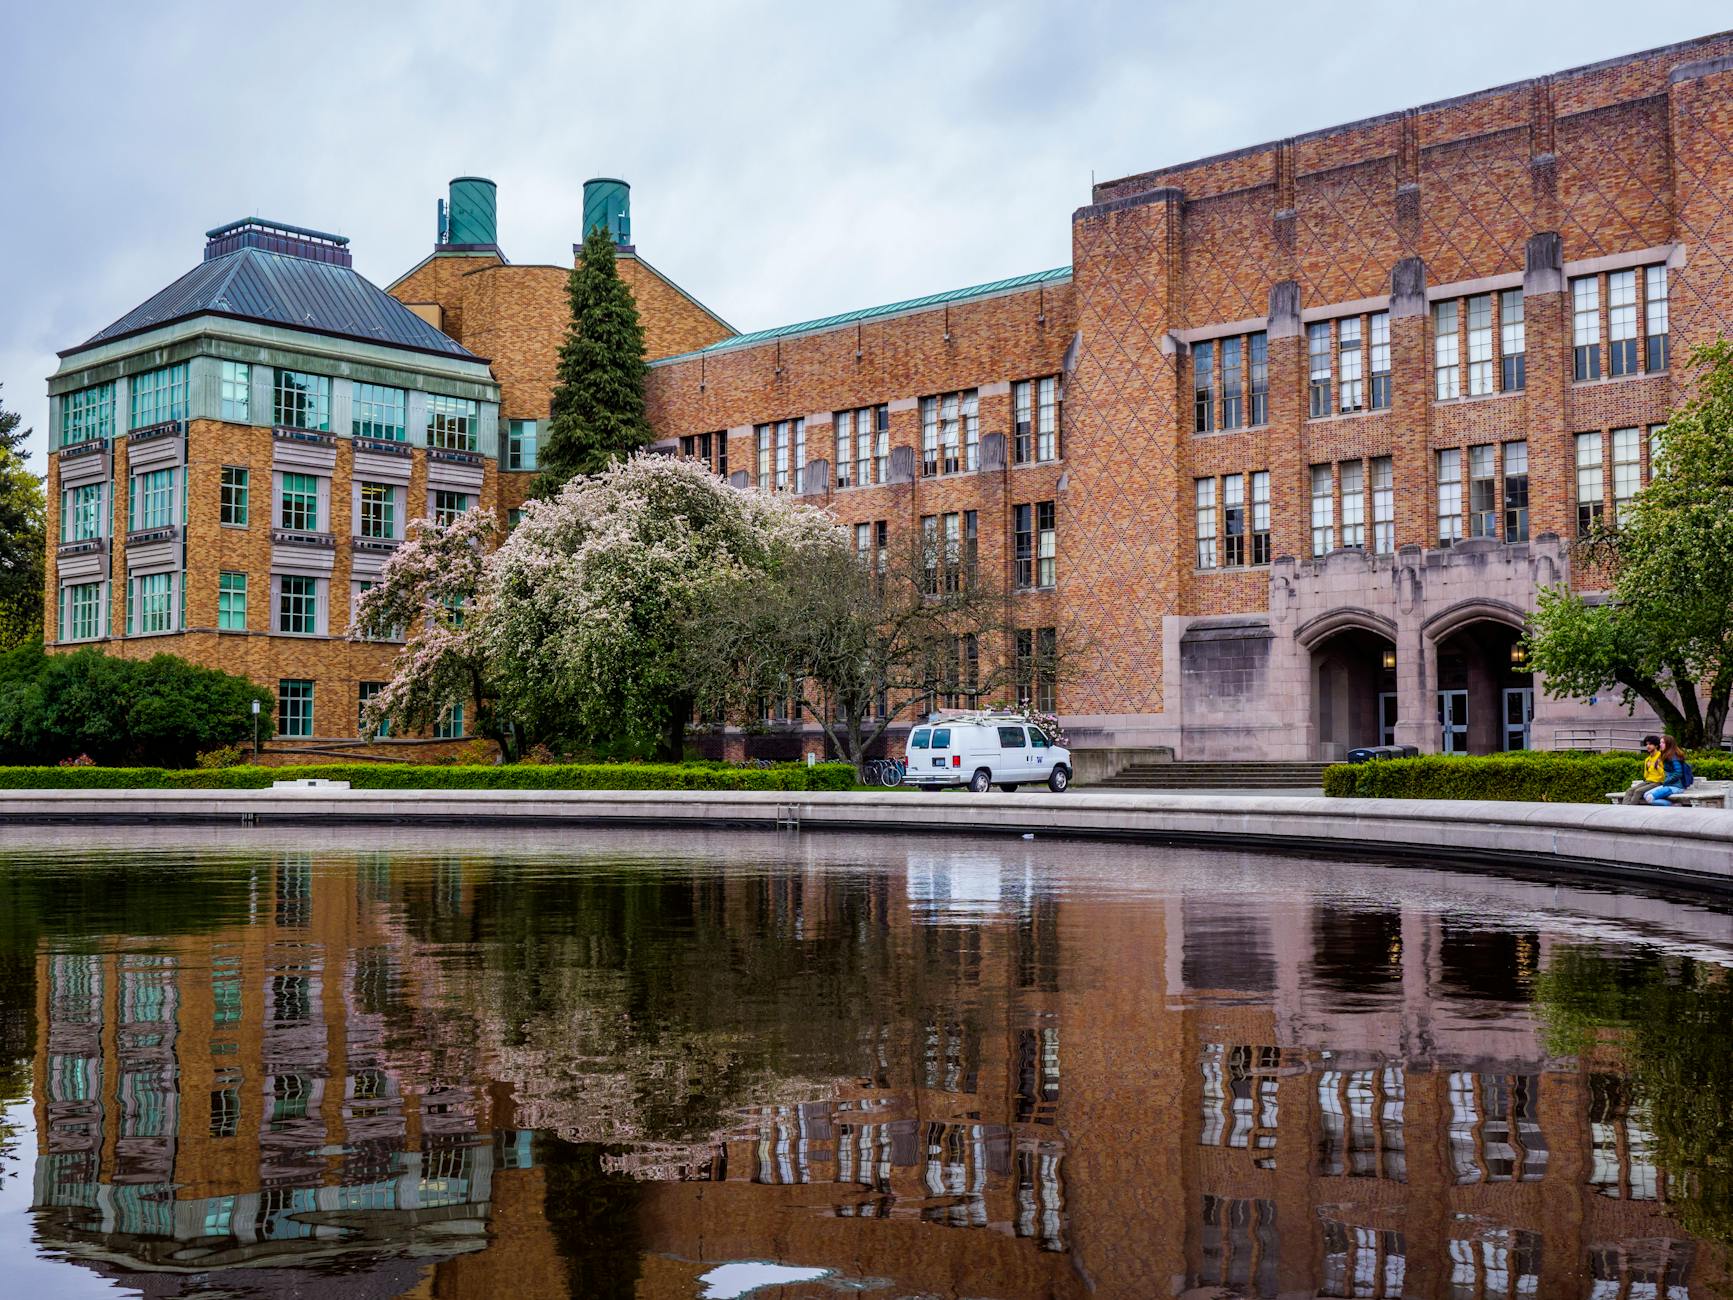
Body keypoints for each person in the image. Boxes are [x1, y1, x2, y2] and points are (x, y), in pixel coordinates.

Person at [1643, 736, 1694, 806]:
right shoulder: (1666, 755)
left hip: (1676, 787)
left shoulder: (1674, 757)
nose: (1660, 744)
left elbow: (1678, 773)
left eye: (1663, 742)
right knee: (1646, 794)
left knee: (1649, 798)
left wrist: (1667, 781)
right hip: (1668, 785)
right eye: (1660, 742)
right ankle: (1671, 805)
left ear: (1669, 744)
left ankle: (1672, 805)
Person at [1621, 734, 1664, 804]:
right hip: (1648, 782)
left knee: (1638, 791)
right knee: (1629, 790)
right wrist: (1647, 768)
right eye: (1647, 744)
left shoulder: (1661, 757)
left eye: (1650, 744)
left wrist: (1657, 767)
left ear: (1656, 745)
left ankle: (1630, 810)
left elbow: (1665, 775)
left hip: (1658, 782)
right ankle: (1624, 809)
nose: (1648, 746)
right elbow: (1646, 776)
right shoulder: (1647, 759)